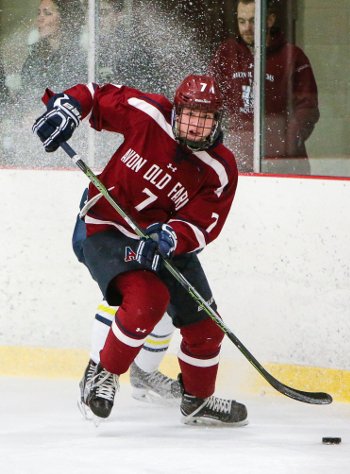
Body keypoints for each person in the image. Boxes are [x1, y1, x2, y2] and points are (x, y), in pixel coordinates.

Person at [32, 74, 248, 427]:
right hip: (106, 225)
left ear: (218, 122)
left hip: (159, 240)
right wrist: (68, 108)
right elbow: (95, 94)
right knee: (149, 299)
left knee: (206, 324)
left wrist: (171, 238)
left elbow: (204, 221)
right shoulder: (150, 114)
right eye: (190, 115)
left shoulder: (220, 167)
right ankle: (101, 376)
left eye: (205, 119)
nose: (196, 126)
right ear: (176, 110)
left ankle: (197, 400)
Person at [72, 191, 181, 409]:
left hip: (148, 233)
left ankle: (144, 373)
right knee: (126, 292)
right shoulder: (130, 165)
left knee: (169, 299)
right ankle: (96, 369)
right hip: (105, 232)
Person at [209, 0, 319, 174]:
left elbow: (307, 107)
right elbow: (212, 100)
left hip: (284, 162)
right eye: (242, 21)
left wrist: (288, 143)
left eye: (253, 20)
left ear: (270, 20)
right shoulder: (226, 53)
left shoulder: (292, 56)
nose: (246, 28)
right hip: (236, 158)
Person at [21, 0, 87, 102]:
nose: (40, 18)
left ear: (64, 18)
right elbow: (26, 96)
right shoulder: (34, 55)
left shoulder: (79, 54)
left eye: (47, 13)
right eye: (38, 13)